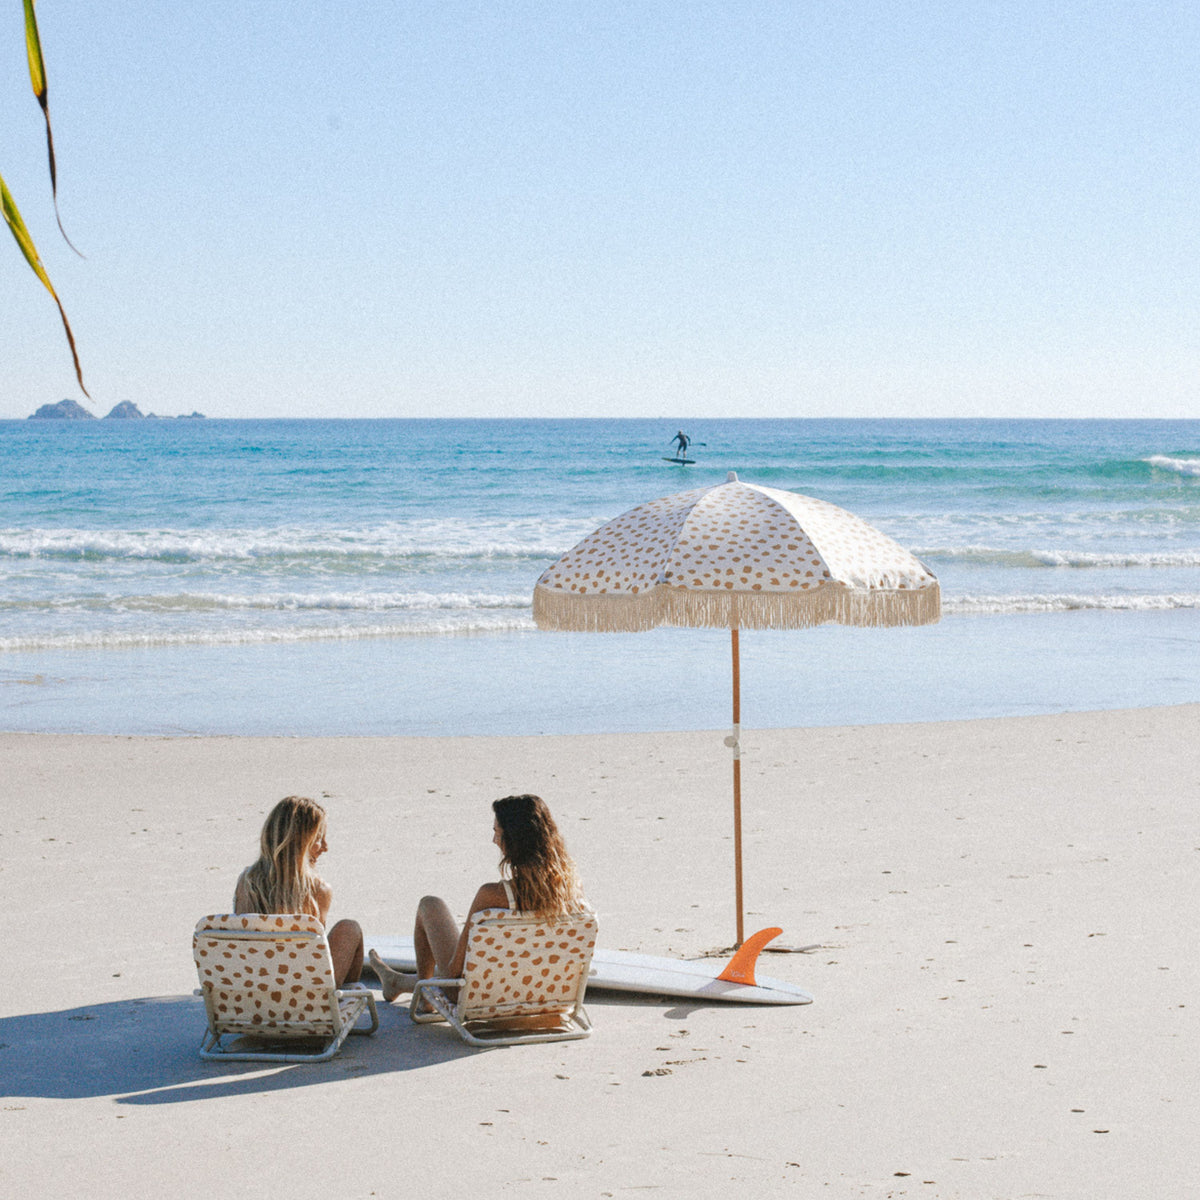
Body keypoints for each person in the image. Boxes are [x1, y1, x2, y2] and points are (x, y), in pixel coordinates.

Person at [369, 793, 585, 1003]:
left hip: (482, 997)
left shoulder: (492, 896)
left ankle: (420, 994)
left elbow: (454, 972)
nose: (494, 840)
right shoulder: (573, 891)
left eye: (497, 833)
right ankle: (399, 982)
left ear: (514, 840)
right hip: (545, 995)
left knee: (430, 905)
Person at [233, 795, 364, 987]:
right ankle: (344, 999)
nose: (325, 848)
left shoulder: (247, 883)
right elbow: (317, 955)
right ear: (301, 842)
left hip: (253, 991)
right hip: (304, 998)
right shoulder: (319, 890)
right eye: (319, 838)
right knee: (349, 928)